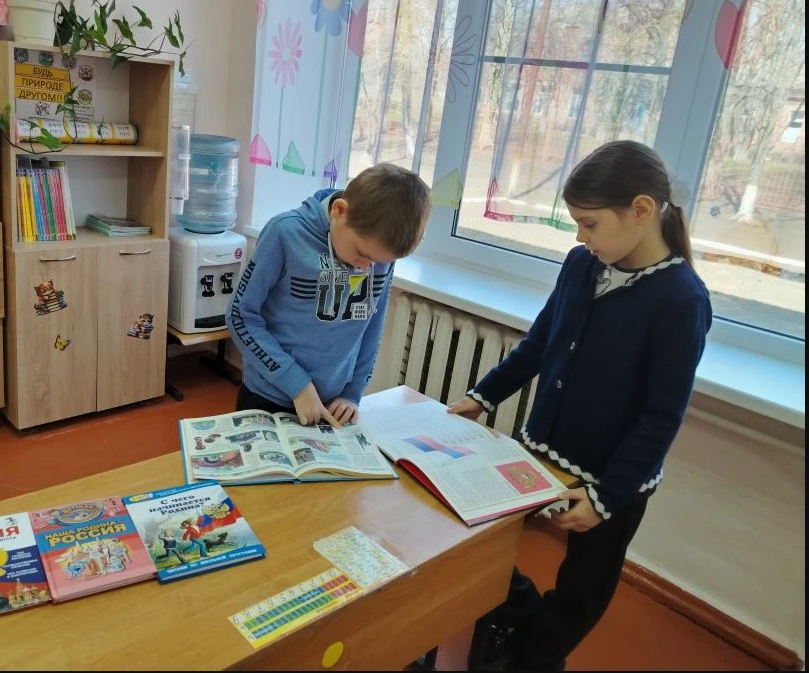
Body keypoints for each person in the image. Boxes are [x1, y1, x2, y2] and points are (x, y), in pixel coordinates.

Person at [447, 140, 712, 671]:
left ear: (640, 210)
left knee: (581, 592)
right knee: (482, 540)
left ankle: (533, 659)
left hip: (614, 478)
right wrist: (481, 398)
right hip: (543, 448)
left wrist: (606, 498)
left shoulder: (682, 300)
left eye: (588, 224)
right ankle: (521, 615)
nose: (579, 236)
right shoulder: (581, 264)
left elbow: (659, 418)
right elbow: (540, 344)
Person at [228, 163, 432, 428]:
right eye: (362, 254)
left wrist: (353, 392)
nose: (365, 267)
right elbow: (240, 316)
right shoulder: (285, 233)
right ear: (339, 211)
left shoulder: (376, 252)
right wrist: (298, 385)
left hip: (333, 403)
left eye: (377, 261)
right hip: (268, 396)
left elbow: (372, 325)